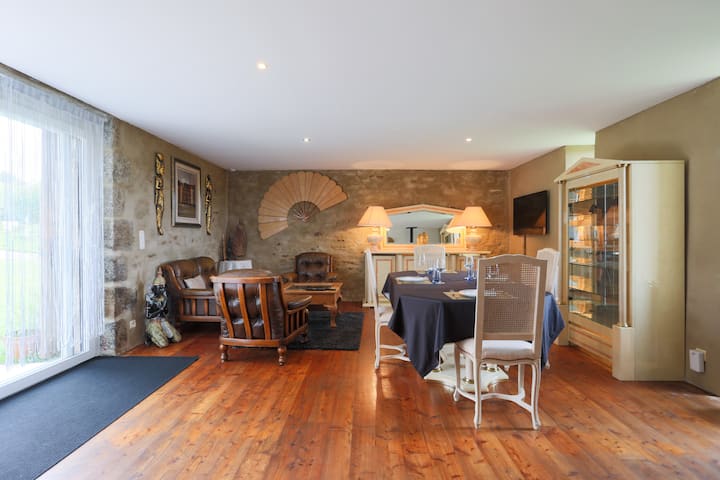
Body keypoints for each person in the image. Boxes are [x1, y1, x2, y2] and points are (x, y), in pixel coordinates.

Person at [144, 267, 181, 347]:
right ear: (154, 288)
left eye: (163, 288)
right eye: (159, 288)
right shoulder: (150, 298)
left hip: (162, 320)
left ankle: (165, 335)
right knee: (163, 344)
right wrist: (160, 310)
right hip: (154, 322)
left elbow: (165, 312)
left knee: (177, 338)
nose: (162, 290)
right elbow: (148, 315)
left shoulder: (163, 297)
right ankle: (150, 335)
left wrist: (165, 307)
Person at [154, 153, 165, 235]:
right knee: (159, 209)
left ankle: (159, 225)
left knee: (162, 209)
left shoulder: (161, 178)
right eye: (162, 168)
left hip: (161, 195)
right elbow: (157, 187)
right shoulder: (158, 178)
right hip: (159, 196)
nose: (163, 170)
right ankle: (159, 226)